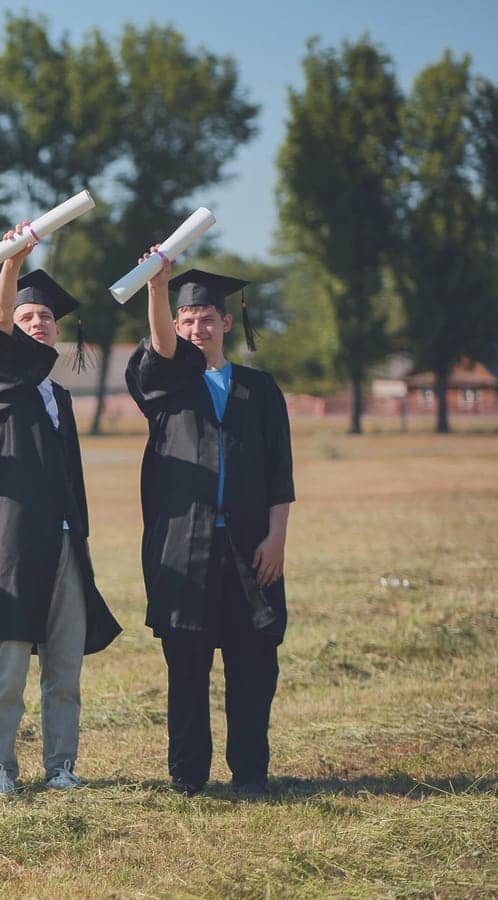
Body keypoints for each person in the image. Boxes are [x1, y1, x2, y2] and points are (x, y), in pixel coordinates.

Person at [0, 230, 121, 797]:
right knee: (10, 669)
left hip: (65, 544)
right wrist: (13, 263)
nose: (38, 324)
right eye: (28, 316)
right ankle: (1, 767)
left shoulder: (61, 398)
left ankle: (61, 766)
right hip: (13, 546)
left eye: (46, 318)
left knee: (65, 667)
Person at [125, 254, 294, 799]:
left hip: (250, 547)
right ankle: (188, 775)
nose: (198, 327)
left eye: (207, 318)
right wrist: (158, 288)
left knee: (254, 666)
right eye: (187, 318)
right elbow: (157, 349)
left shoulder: (260, 389)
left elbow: (279, 471)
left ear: (226, 322)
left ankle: (250, 773)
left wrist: (277, 538)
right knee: (188, 667)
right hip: (184, 549)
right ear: (175, 326)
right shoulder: (164, 385)